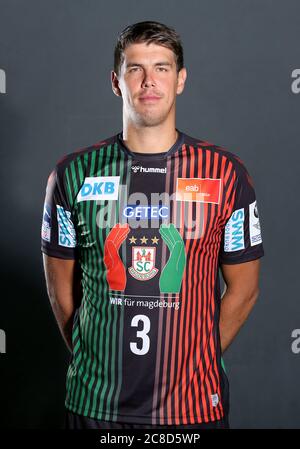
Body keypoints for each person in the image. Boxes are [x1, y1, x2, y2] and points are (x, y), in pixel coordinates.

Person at [41, 21, 264, 430]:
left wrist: (198, 360)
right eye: (135, 69)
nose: (148, 81)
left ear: (180, 80)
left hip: (193, 407)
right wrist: (95, 357)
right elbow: (60, 293)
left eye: (161, 68)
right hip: (96, 405)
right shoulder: (73, 174)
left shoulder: (224, 174)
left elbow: (245, 289)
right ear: (116, 82)